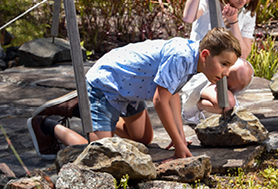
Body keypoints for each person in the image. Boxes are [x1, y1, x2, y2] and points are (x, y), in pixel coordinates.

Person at [27, 27, 241, 160]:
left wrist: (181, 137)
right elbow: (160, 101)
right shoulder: (182, 57)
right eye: (223, 64)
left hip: (132, 91)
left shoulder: (194, 59)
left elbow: (172, 94)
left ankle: (86, 115)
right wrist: (177, 144)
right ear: (205, 55)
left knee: (143, 139)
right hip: (107, 84)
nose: (225, 73)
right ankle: (48, 125)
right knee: (99, 154)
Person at [180, 0, 260, 121]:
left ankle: (209, 100)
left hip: (223, 71)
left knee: (243, 70)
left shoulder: (247, 12)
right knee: (227, 105)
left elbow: (242, 55)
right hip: (201, 69)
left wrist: (234, 23)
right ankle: (196, 104)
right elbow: (188, 17)